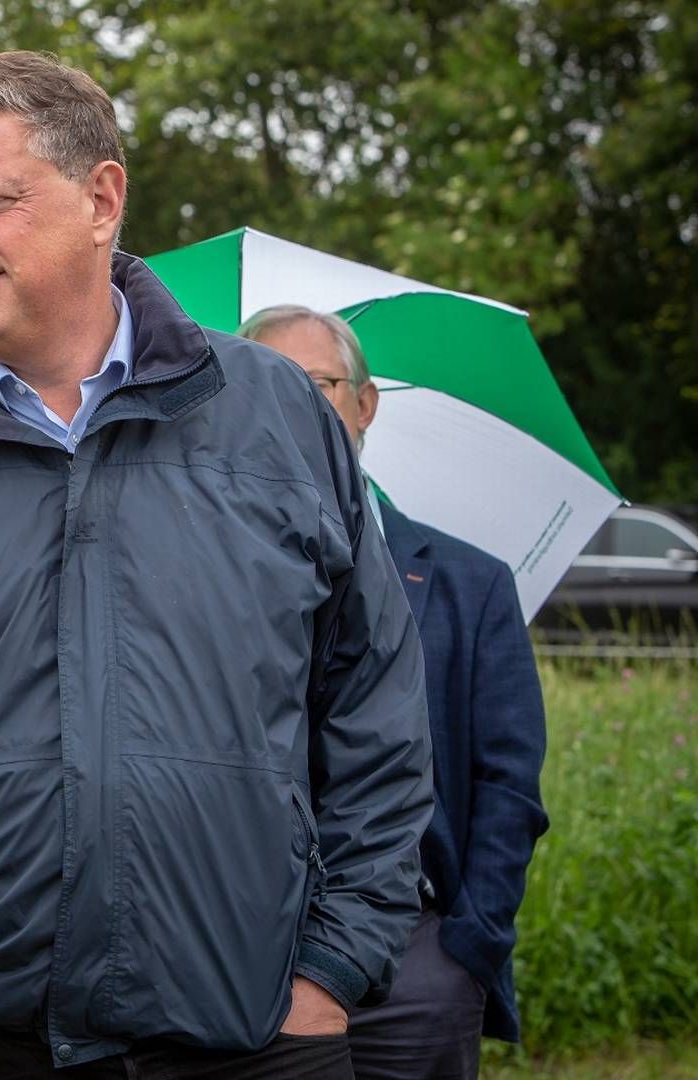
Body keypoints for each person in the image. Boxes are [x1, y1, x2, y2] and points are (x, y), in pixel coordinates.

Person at [0, 51, 434, 1079]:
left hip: (254, 1043)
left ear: (102, 199)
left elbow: (375, 712)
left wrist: (336, 964)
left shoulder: (275, 416)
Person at [242, 304, 549, 1080]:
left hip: (419, 954)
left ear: (364, 404)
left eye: (316, 384)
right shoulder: (209, 581)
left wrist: (469, 944)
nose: (299, 408)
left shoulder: (470, 584)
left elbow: (508, 782)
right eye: (272, 387)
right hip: (247, 950)